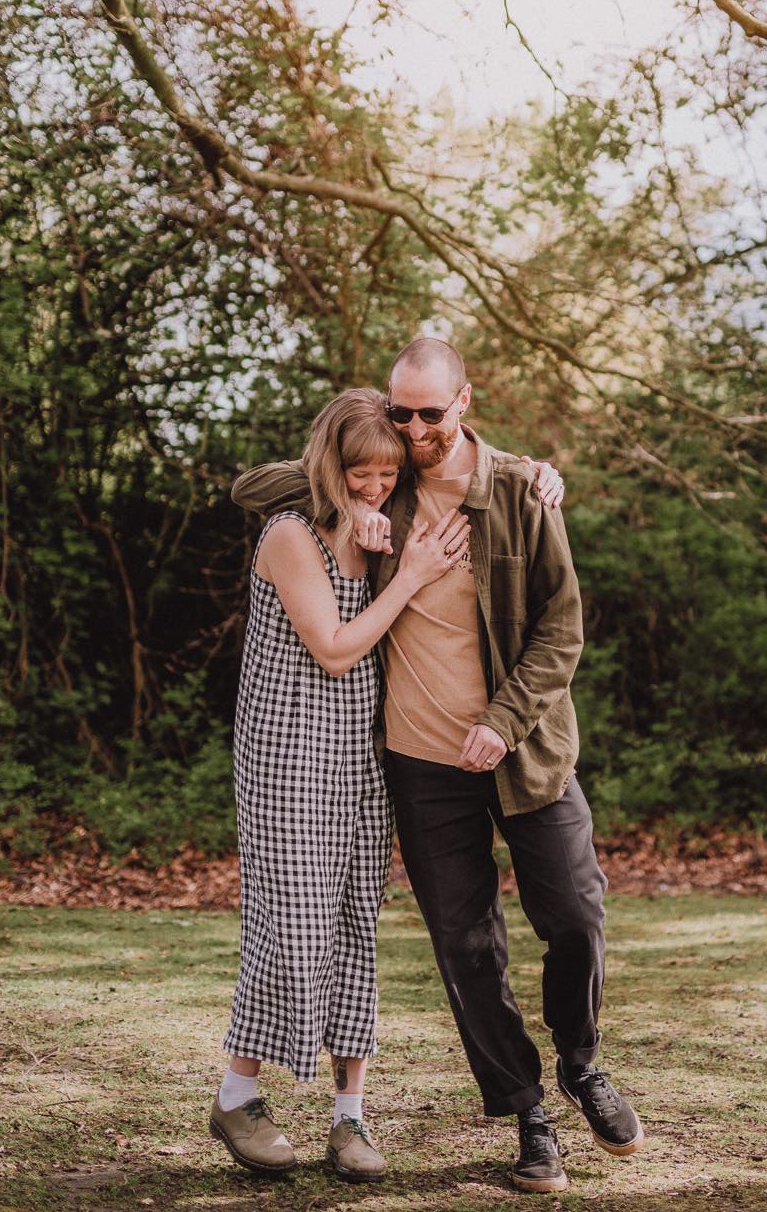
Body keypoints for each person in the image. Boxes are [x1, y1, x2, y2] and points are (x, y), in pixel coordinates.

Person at [233, 337, 643, 1195]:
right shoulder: (379, 479)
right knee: (466, 948)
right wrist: (353, 491)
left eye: (428, 411)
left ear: (466, 401)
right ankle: (529, 1114)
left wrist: (503, 719)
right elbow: (256, 487)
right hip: (420, 764)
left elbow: (562, 629)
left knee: (573, 916)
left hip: (525, 749)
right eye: (399, 411)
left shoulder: (522, 492)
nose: (412, 428)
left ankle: (581, 1063)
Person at [210, 387, 471, 1184]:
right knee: (292, 931)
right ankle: (235, 1096)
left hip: (362, 759)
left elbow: (464, 458)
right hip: (289, 759)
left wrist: (541, 475)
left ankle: (350, 1120)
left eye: (387, 471)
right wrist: (411, 573)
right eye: (359, 472)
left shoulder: (379, 529)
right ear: (330, 464)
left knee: (356, 926)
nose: (375, 486)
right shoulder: (291, 536)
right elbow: (334, 648)